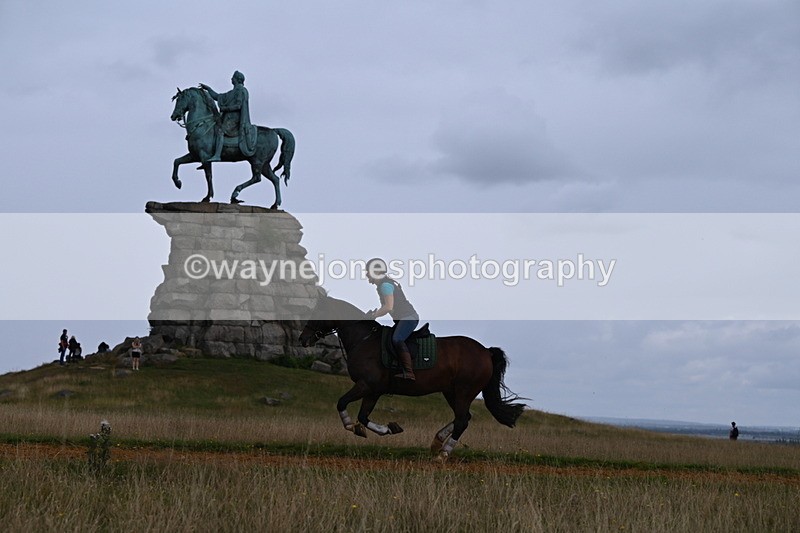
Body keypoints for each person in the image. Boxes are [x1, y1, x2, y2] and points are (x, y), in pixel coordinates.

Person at [365, 258, 419, 381]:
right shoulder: (383, 285)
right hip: (403, 318)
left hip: (409, 318)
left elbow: (388, 307)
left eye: (368, 272)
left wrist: (374, 316)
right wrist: (374, 313)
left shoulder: (385, 286)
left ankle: (409, 372)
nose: (367, 274)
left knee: (397, 339)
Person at [199, 70, 257, 163]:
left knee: (220, 131)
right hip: (228, 118)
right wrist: (208, 89)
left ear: (237, 79)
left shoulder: (241, 91)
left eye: (233, 77)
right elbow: (217, 96)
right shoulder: (231, 92)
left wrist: (225, 108)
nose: (231, 79)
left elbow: (238, 106)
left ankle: (217, 155)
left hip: (235, 119)